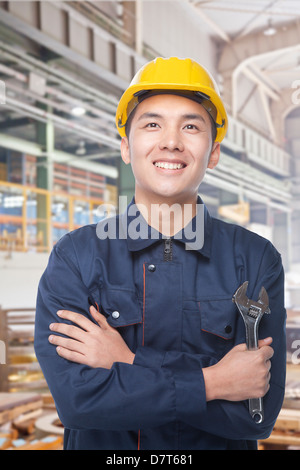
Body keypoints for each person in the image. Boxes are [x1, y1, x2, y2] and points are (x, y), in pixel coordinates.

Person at [34, 57, 286, 450]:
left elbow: (255, 415)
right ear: (126, 147)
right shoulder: (76, 257)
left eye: (190, 126)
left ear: (214, 153)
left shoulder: (255, 259)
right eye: (152, 124)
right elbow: (78, 403)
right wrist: (215, 382)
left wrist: (127, 364)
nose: (171, 140)